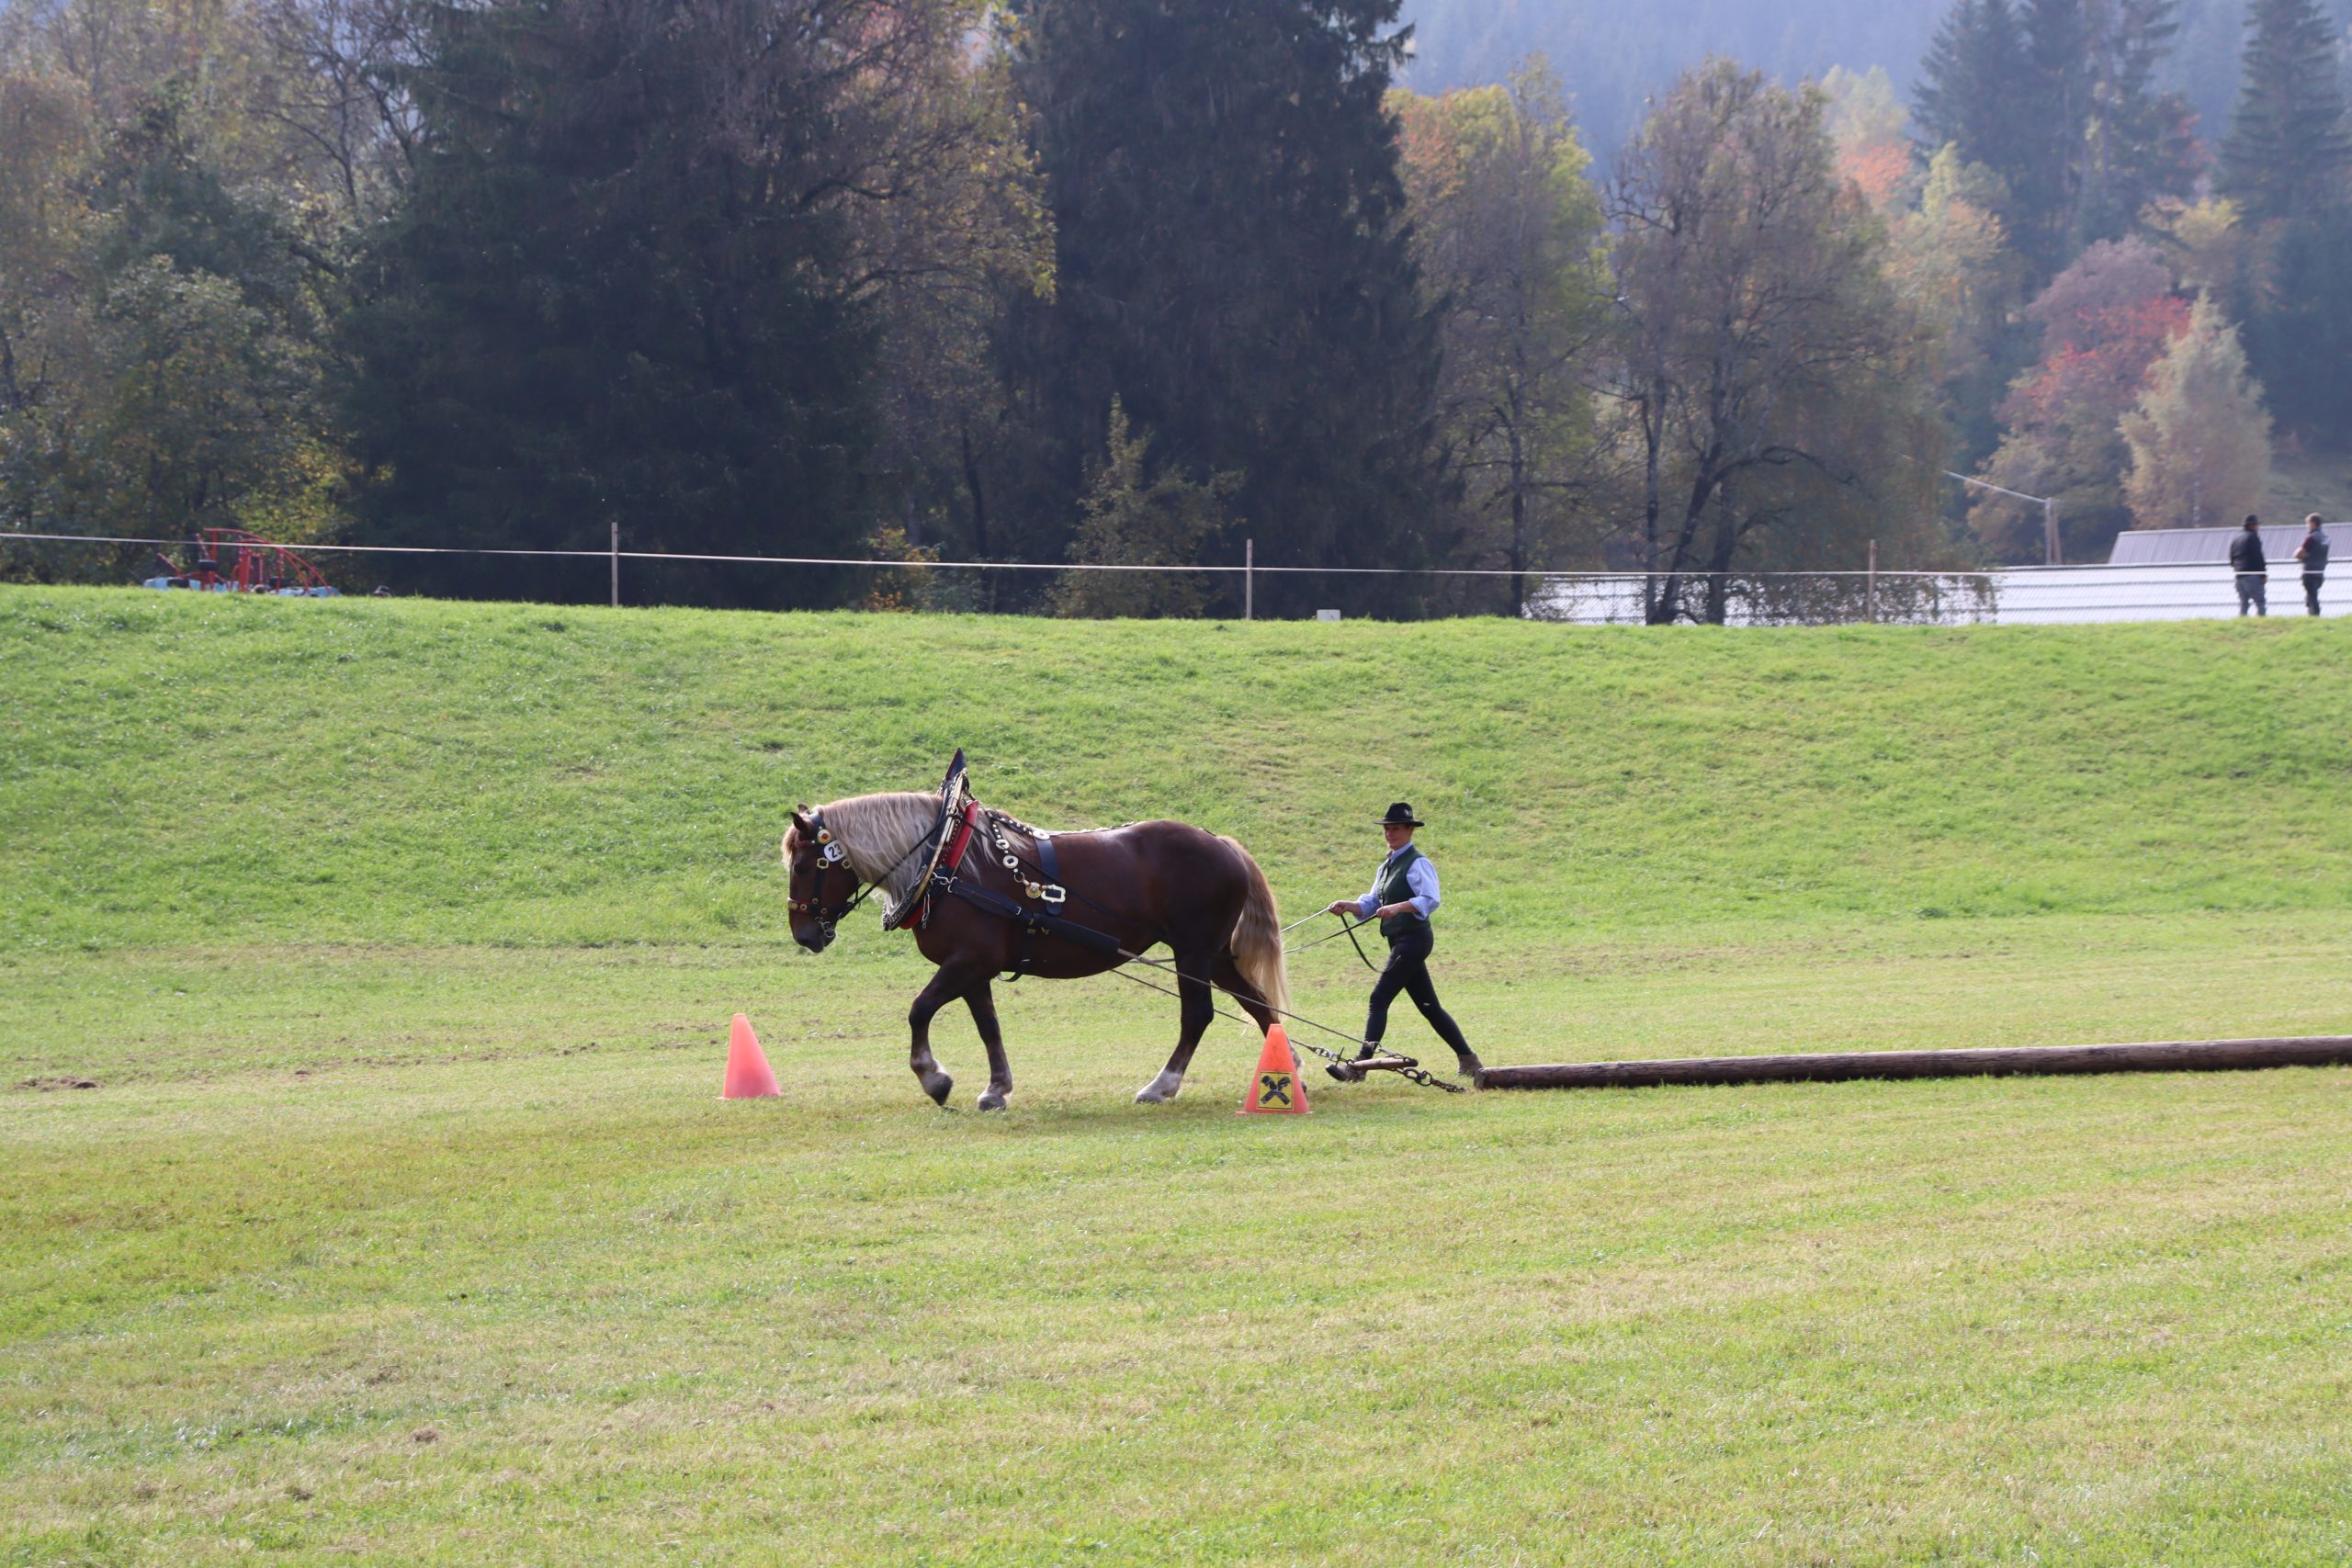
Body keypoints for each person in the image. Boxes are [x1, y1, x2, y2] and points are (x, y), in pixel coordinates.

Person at [1325, 803, 1482, 1079]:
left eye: (1395, 828)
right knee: (1428, 1006)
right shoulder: (1387, 865)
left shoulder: (1417, 862)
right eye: (1387, 829)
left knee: (1379, 998)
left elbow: (1430, 899)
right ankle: (1469, 1060)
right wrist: (1348, 905)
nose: (1389, 833)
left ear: (1410, 830)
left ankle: (1359, 1067)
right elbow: (1373, 902)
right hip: (1399, 941)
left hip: (1414, 939)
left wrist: (1398, 907)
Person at [2229, 515, 2267, 616]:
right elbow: (2258, 557)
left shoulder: (2236, 539)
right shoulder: (2253, 538)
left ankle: (2242, 622)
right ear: (2252, 525)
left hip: (2239, 575)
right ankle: (2262, 623)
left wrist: (2237, 569)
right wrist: (2263, 574)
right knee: (2260, 602)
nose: (2258, 527)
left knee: (2243, 603)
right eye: (2257, 524)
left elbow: (2232, 558)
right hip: (2253, 574)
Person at [2293, 513, 2329, 617]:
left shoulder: (2311, 537)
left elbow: (2298, 553)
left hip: (2309, 571)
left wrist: (2302, 557)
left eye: (2307, 523)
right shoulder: (2325, 538)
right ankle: (2312, 615)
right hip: (2320, 571)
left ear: (2313, 523)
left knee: (2312, 598)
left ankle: (2314, 616)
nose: (2307, 526)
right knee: (2311, 596)